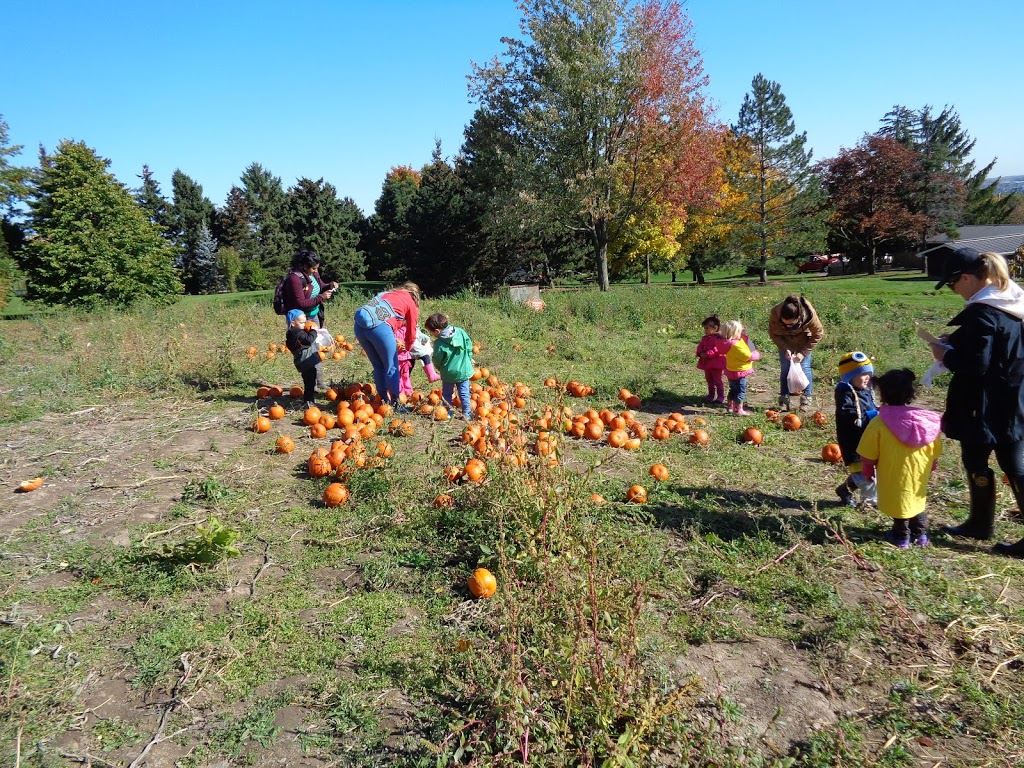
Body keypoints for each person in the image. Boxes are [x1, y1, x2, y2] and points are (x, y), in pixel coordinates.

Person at [928, 250, 1024, 558]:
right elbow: (999, 343)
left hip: (984, 404)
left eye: (954, 284)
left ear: (967, 279)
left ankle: (980, 523)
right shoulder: (1011, 301)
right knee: (1014, 463)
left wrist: (947, 355)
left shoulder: (982, 311)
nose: (955, 291)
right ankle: (978, 523)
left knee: (978, 460)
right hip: (1013, 397)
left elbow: (978, 363)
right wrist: (956, 339)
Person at [857, 369, 943, 548]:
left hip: (894, 471)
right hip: (919, 472)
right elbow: (934, 446)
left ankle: (901, 535)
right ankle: (920, 535)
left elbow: (868, 451)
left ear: (883, 394)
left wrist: (867, 469)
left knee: (900, 501)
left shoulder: (880, 423)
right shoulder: (924, 421)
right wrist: (932, 463)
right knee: (915, 500)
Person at [353, 282, 421, 404]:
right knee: (392, 367)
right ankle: (396, 403)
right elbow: (412, 329)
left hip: (359, 327)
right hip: (380, 328)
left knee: (378, 366)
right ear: (415, 296)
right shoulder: (410, 302)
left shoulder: (386, 294)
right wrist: (408, 347)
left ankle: (383, 399)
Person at [834, 351, 879, 507]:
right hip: (853, 440)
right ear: (849, 376)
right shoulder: (845, 391)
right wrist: (871, 416)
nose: (867, 377)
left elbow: (871, 408)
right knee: (864, 472)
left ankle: (844, 490)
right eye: (862, 374)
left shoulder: (865, 390)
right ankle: (871, 502)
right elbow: (846, 413)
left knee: (867, 469)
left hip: (867, 438)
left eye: (869, 374)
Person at [768, 294, 825, 411]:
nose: (788, 326)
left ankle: (806, 398)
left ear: (799, 318)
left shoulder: (810, 315)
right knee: (785, 368)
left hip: (804, 342)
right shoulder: (775, 313)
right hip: (785, 342)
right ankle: (784, 398)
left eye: (791, 324)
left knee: (804, 367)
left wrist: (803, 353)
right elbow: (773, 334)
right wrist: (785, 349)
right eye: (785, 324)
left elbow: (818, 334)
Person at [425, 312, 474, 420]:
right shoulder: (460, 332)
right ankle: (467, 413)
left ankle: (447, 412)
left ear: (437, 331)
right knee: (464, 393)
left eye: (431, 332)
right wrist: (468, 357)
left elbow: (437, 359)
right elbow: (469, 344)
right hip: (463, 371)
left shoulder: (439, 343)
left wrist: (439, 368)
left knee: (447, 393)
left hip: (448, 373)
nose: (431, 335)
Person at [281, 248, 337, 329]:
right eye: (314, 268)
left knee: (317, 339)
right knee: (306, 340)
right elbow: (301, 303)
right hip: (301, 319)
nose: (316, 271)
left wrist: (330, 285)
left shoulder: (313, 273)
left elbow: (321, 286)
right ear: (305, 266)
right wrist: (321, 297)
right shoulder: (295, 279)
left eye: (317, 268)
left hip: (314, 313)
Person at [721, 319, 760, 416]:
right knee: (740, 391)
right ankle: (738, 410)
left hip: (731, 370)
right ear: (735, 333)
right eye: (739, 331)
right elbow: (747, 356)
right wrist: (755, 355)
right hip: (739, 372)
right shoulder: (737, 345)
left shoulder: (726, 342)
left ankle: (730, 407)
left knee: (732, 389)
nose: (741, 333)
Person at [285, 310, 321, 408]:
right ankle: (308, 400)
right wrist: (313, 331)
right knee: (309, 379)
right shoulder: (296, 333)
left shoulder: (294, 332)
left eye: (305, 322)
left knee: (309, 378)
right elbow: (308, 340)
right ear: (292, 323)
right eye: (302, 323)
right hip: (305, 361)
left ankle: (309, 396)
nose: (304, 324)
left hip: (303, 361)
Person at [695, 314, 728, 404]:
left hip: (716, 363)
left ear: (715, 328)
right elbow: (700, 346)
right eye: (704, 328)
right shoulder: (705, 338)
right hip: (707, 363)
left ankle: (720, 396)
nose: (705, 330)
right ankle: (711, 395)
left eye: (707, 328)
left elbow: (718, 349)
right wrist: (700, 352)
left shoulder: (719, 338)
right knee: (709, 380)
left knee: (717, 380)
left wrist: (708, 354)